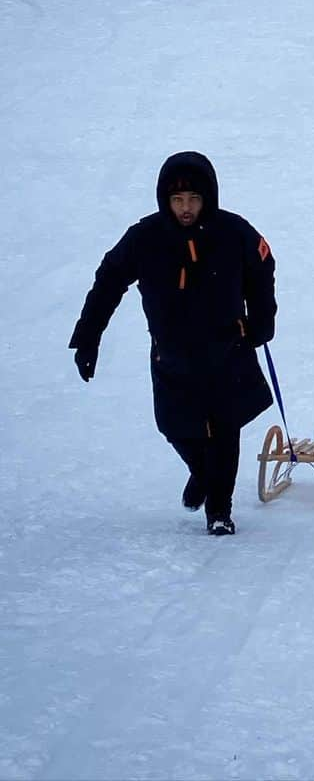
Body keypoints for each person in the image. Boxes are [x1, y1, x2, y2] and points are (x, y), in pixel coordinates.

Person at [69, 151, 277, 536]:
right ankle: (202, 472)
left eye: (194, 199)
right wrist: (88, 338)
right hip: (172, 354)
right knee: (175, 426)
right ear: (165, 200)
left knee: (225, 429)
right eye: (178, 200)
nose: (186, 208)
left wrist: (261, 323)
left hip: (227, 349)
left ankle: (219, 511)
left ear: (208, 198)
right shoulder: (146, 238)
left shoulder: (233, 232)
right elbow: (109, 279)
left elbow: (263, 265)